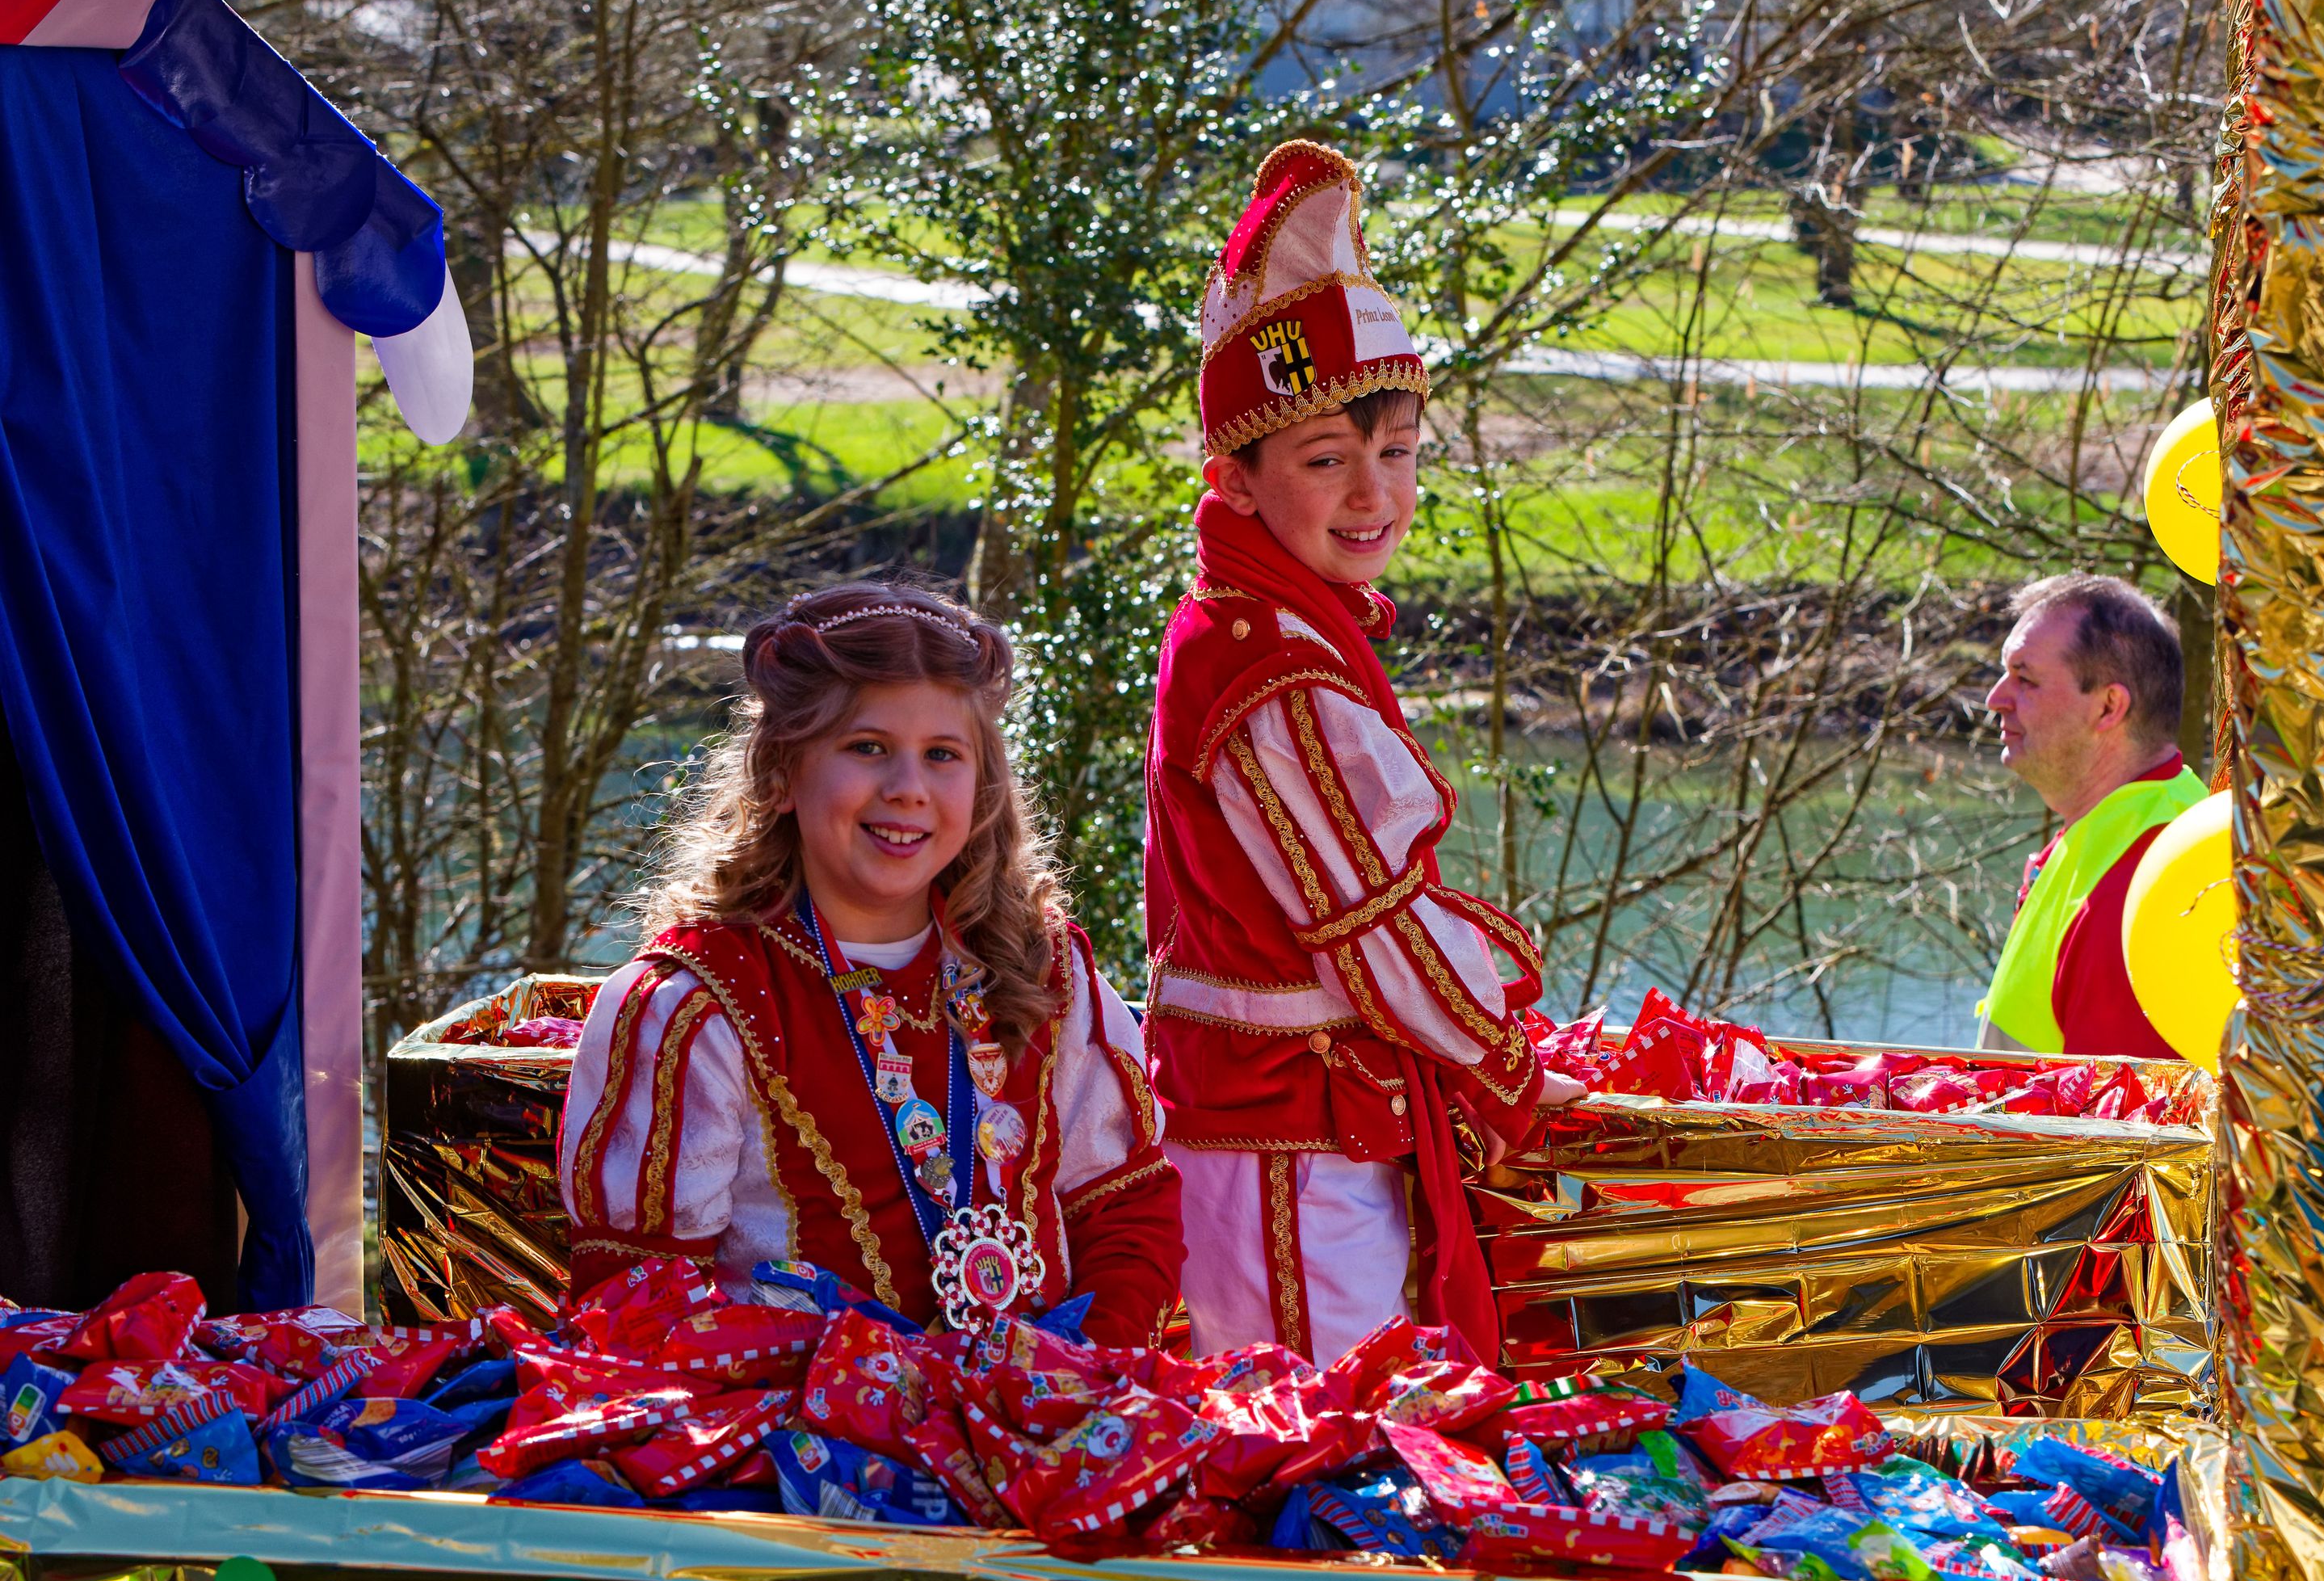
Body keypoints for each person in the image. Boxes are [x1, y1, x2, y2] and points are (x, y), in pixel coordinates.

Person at [1143, 140, 1586, 1368]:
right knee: (1316, 1440)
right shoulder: (1269, 666)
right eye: (1326, 461)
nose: (1371, 497)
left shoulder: (1274, 631)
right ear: (1233, 479)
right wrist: (1503, 1059)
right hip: (1288, 1144)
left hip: (1302, 1130)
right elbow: (1376, 928)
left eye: (1393, 455)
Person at [558, 582, 1183, 1347]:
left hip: (1048, 1421)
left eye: (942, 756)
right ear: (781, 773)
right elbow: (640, 1308)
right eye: (867, 748)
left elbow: (1122, 1208)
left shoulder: (1042, 966)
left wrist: (1082, 1376)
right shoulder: (701, 1003)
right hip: (805, 1441)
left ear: (982, 785)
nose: (907, 790)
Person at [1977, 573, 2208, 1058]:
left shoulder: (2140, 886)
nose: (1995, 699)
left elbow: (2117, 1131)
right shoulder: (2118, 825)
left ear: (2108, 707)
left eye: (2026, 679)